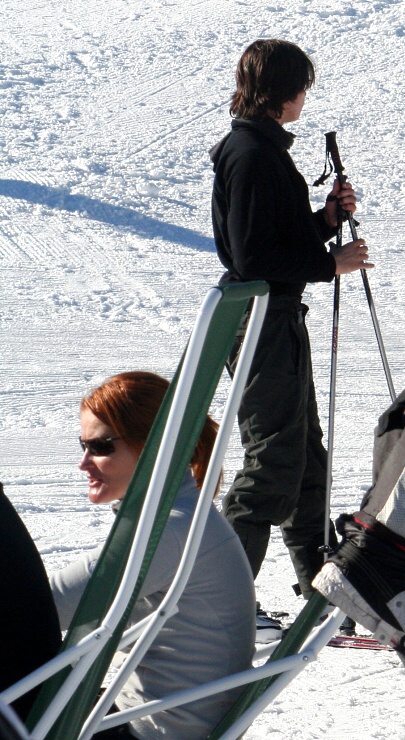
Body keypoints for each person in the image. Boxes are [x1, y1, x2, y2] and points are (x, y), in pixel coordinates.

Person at [210, 39, 373, 615]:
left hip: (271, 316)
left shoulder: (258, 150)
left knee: (304, 456)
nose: (305, 96)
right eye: (301, 85)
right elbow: (253, 257)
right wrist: (329, 263)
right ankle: (224, 602)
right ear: (285, 91)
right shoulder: (252, 153)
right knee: (275, 460)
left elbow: (266, 241)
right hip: (261, 319)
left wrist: (324, 223)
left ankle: (319, 594)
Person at [50, 372, 255, 739]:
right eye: (81, 445)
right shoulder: (182, 516)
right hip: (161, 719)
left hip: (154, 731)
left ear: (153, 447)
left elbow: (46, 607)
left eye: (100, 447)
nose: (84, 464)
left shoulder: (167, 532)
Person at [0, 482, 61, 722]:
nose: (83, 463)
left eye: (102, 446)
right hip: (34, 703)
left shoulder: (163, 535)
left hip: (18, 715)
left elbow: (38, 605)